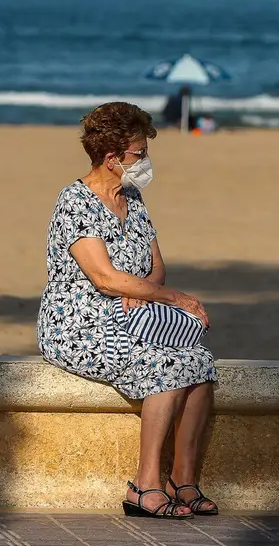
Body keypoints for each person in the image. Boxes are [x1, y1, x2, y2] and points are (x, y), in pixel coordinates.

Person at [37, 102, 219, 520]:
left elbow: (155, 263)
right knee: (167, 364)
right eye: (139, 153)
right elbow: (103, 277)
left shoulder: (132, 198)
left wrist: (147, 289)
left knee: (201, 361)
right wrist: (175, 298)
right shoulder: (75, 202)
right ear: (112, 158)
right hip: (79, 324)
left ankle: (183, 480)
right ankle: (145, 486)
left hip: (129, 315)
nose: (146, 161)